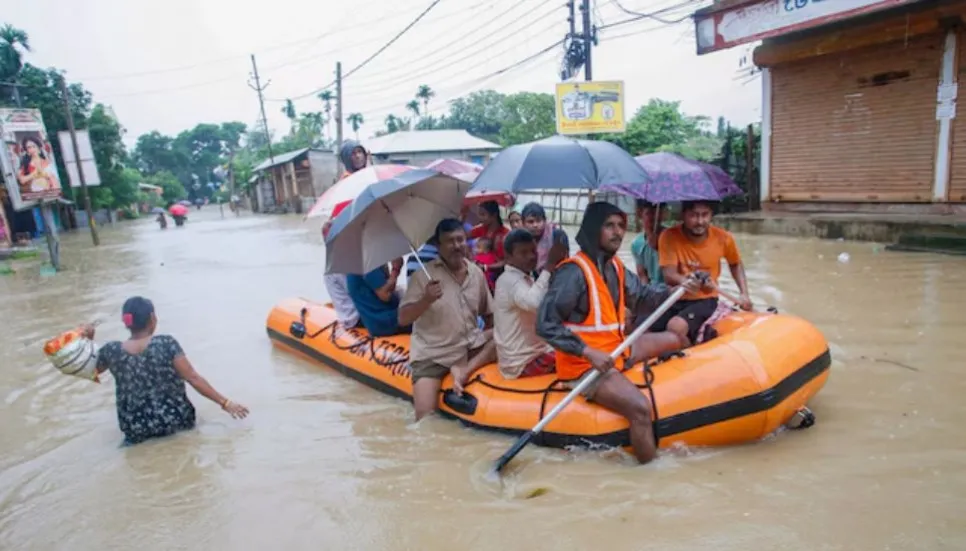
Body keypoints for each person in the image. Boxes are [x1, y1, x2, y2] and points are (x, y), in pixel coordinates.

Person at [537, 202, 694, 464]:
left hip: (617, 348)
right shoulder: (572, 273)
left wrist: (677, 289)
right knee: (641, 410)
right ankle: (650, 472)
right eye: (609, 226)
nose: (618, 232)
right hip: (585, 366)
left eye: (621, 226)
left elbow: (642, 297)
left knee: (675, 340)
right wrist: (587, 352)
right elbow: (545, 324)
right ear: (592, 229)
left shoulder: (615, 267)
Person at [79, 297, 249, 445]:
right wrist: (225, 403)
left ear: (126, 323)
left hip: (137, 431)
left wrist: (88, 340)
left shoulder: (112, 351)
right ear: (152, 318)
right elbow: (193, 378)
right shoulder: (166, 344)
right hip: (177, 424)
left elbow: (88, 370)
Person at [399, 218, 496, 420]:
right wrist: (425, 299)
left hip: (469, 347)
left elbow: (490, 315)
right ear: (438, 246)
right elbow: (403, 319)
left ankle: (463, 371)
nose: (457, 246)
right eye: (450, 241)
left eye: (460, 240)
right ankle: (457, 370)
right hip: (433, 355)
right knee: (424, 418)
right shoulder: (422, 276)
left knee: (501, 336)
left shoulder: (476, 273)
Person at [655, 200, 752, 347]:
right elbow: (669, 274)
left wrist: (744, 293)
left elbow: (735, 263)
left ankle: (689, 356)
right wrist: (685, 281)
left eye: (705, 215)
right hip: (675, 295)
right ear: (683, 215)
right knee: (638, 322)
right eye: (693, 215)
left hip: (705, 298)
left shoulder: (723, 238)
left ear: (711, 215)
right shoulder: (668, 236)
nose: (700, 221)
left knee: (675, 327)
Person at [493, 229, 568, 379]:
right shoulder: (510, 280)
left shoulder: (525, 277)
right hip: (522, 362)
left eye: (533, 251)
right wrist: (550, 265)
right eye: (523, 253)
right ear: (508, 257)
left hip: (533, 353)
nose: (531, 256)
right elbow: (536, 303)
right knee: (580, 359)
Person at [347, 258, 411, 337]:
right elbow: (385, 295)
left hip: (375, 321)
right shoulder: (369, 265)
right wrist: (395, 270)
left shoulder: (357, 263)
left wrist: (394, 271)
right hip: (386, 321)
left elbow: (389, 288)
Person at [323, 214, 360, 329]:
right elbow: (357, 292)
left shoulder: (336, 261)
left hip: (351, 314)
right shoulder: (339, 265)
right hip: (355, 318)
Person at [521, 202, 570, 271]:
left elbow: (565, 263)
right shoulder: (521, 239)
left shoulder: (557, 236)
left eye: (538, 221)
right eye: (530, 222)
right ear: (523, 223)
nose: (535, 225)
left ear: (544, 221)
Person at [630, 200, 665, 284]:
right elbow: (642, 275)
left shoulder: (672, 238)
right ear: (640, 213)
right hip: (651, 291)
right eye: (649, 213)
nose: (654, 217)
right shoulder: (637, 244)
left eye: (657, 212)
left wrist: (659, 248)